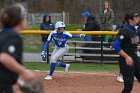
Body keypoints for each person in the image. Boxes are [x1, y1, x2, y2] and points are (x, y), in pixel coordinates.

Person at [0, 4, 35, 93]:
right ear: (20, 20)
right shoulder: (14, 36)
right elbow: (4, 57)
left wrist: (20, 83)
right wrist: (24, 72)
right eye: (25, 18)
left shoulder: (2, 34)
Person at [112, 11, 140, 93]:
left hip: (135, 58)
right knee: (128, 87)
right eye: (136, 18)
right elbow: (116, 46)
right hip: (126, 61)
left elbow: (135, 43)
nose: (138, 19)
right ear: (130, 20)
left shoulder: (135, 30)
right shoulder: (125, 30)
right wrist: (127, 57)